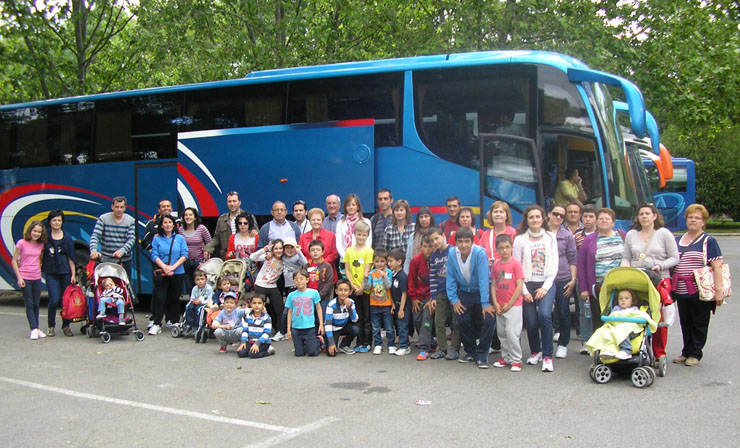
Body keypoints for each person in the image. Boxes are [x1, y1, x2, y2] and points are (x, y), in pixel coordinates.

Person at [621, 202, 679, 362]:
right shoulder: (631, 234)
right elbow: (626, 257)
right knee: (635, 314)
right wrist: (624, 270)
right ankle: (635, 348)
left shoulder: (664, 234)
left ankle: (659, 352)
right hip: (637, 278)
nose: (644, 216)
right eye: (641, 214)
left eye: (647, 213)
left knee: (657, 316)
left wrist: (661, 265)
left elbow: (675, 257)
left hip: (659, 279)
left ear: (654, 216)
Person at [671, 204, 725, 367]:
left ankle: (695, 353)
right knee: (685, 321)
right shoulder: (677, 239)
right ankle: (686, 351)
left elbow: (717, 267)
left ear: (703, 222)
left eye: (697, 218)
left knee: (699, 322)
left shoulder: (709, 241)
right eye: (690, 217)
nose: (693, 220)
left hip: (700, 289)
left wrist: (719, 290)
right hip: (681, 289)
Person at [513, 205, 558, 372]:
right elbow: (517, 267)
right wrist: (524, 291)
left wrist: (545, 288)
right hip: (527, 284)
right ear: (526, 220)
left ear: (543, 219)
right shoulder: (519, 240)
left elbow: (554, 266)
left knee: (545, 315)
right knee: (530, 321)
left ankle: (547, 355)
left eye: (538, 217)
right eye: (531, 217)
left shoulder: (551, 238)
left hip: (546, 283)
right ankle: (535, 351)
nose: (535, 220)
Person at [446, 227, 496, 369]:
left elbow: (483, 279)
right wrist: (454, 300)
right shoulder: (451, 253)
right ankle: (470, 351)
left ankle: (482, 354)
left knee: (488, 320)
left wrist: (485, 303)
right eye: (460, 242)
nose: (463, 245)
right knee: (463, 320)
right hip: (465, 292)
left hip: (481, 292)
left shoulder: (479, 253)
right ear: (455, 242)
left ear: (472, 241)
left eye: (467, 241)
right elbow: (450, 278)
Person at [577, 208, 626, 343]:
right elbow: (581, 265)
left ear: (613, 222)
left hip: (620, 286)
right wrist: (584, 289)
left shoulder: (622, 236)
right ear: (596, 222)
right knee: (599, 318)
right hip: (598, 286)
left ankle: (620, 346)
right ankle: (601, 348)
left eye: (607, 218)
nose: (604, 221)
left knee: (619, 316)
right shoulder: (589, 240)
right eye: (601, 218)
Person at [585, 289, 658, 360]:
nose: (623, 300)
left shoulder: (634, 310)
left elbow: (640, 316)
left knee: (622, 328)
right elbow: (612, 318)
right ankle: (609, 349)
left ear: (632, 301)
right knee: (605, 331)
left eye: (626, 298)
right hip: (616, 327)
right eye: (621, 298)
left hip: (631, 330)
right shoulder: (616, 310)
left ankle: (626, 350)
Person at [547, 205, 577, 359]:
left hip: (563, 278)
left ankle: (563, 344)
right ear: (549, 214)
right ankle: (543, 346)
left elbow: (572, 258)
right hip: (544, 278)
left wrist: (573, 280)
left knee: (564, 311)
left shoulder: (567, 235)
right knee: (544, 314)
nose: (558, 217)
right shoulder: (541, 233)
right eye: (555, 214)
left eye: (561, 216)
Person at [490, 234, 525, 372]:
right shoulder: (497, 265)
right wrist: (496, 303)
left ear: (511, 247)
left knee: (512, 332)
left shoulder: (516, 264)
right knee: (502, 333)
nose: (504, 250)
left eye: (507, 247)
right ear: (497, 249)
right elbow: (493, 285)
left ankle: (516, 359)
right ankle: (506, 357)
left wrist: (510, 303)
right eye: (501, 248)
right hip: (500, 305)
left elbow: (519, 286)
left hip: (513, 306)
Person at [150, 214, 188, 335]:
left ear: (174, 224)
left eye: (170, 222)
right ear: (161, 225)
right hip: (162, 272)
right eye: (165, 222)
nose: (167, 225)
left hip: (177, 272)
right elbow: (154, 255)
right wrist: (165, 267)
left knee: (174, 298)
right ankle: (156, 323)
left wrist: (173, 267)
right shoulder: (156, 239)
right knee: (160, 298)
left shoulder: (180, 238)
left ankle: (175, 321)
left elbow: (184, 255)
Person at [42, 209, 77, 337]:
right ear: (49, 222)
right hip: (51, 272)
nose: (56, 223)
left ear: (62, 222)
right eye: (54, 220)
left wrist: (73, 274)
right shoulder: (45, 236)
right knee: (54, 299)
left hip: (65, 272)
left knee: (65, 301)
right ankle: (51, 326)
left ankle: (66, 326)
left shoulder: (67, 238)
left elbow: (71, 257)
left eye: (59, 220)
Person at [428, 226, 461, 360]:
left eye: (437, 238)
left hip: (455, 292)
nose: (435, 242)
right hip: (441, 292)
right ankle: (442, 348)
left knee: (456, 321)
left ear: (443, 236)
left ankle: (454, 349)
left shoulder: (453, 251)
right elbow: (433, 278)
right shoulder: (434, 257)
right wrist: (433, 296)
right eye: (432, 241)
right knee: (439, 321)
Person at [13, 221, 47, 340]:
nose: (36, 234)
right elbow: (14, 260)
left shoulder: (41, 245)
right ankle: (33, 329)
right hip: (25, 277)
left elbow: (40, 259)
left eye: (39, 232)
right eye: (34, 231)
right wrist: (19, 277)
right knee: (30, 304)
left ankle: (36, 328)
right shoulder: (21, 243)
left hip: (36, 277)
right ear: (30, 231)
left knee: (36, 304)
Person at [344, 220, 374, 352]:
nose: (361, 237)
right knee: (357, 317)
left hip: (365, 290)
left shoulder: (369, 251)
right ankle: (359, 341)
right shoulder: (349, 251)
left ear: (367, 236)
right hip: (354, 288)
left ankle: (367, 342)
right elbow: (347, 270)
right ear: (354, 234)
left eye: (364, 235)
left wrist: (362, 287)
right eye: (359, 234)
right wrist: (352, 285)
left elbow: (367, 271)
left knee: (367, 317)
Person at [89, 196, 135, 276]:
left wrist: (122, 251)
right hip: (107, 259)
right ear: (112, 207)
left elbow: (131, 240)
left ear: (125, 208)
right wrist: (93, 250)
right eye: (117, 207)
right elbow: (95, 236)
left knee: (125, 286)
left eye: (121, 207)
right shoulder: (103, 218)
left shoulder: (130, 220)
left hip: (124, 260)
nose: (119, 209)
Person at [250, 240, 285, 340]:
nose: (278, 251)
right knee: (258, 307)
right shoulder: (268, 256)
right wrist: (263, 250)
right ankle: (258, 329)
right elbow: (252, 257)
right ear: (272, 249)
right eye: (276, 248)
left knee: (279, 309)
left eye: (280, 248)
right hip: (261, 284)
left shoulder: (285, 259)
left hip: (273, 286)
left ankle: (280, 331)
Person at [286, 269, 324, 357]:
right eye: (296, 279)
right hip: (296, 327)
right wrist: (288, 329)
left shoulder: (313, 293)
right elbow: (290, 312)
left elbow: (318, 308)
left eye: (301, 278)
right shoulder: (291, 295)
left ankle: (318, 341)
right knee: (299, 354)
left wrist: (321, 324)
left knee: (312, 353)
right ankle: (304, 345)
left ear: (307, 280)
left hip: (309, 326)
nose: (299, 281)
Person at [205, 191, 253, 259]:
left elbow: (256, 234)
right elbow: (216, 238)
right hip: (226, 257)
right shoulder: (222, 219)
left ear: (239, 202)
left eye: (234, 201)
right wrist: (208, 248)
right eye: (229, 201)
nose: (232, 204)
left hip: (244, 256)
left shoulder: (248, 217)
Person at [364, 249, 394, 355]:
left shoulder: (389, 272)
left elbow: (388, 286)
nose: (379, 264)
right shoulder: (372, 273)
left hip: (386, 304)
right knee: (375, 327)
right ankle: (378, 345)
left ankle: (391, 345)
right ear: (373, 262)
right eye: (377, 261)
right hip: (374, 304)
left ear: (386, 262)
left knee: (389, 326)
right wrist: (365, 278)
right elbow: (367, 287)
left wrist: (384, 276)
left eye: (382, 261)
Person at [408, 237, 433, 359]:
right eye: (425, 247)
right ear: (421, 247)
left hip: (431, 297)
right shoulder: (415, 261)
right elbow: (411, 280)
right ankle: (431, 342)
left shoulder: (436, 260)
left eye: (430, 247)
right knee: (417, 320)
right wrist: (413, 298)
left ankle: (424, 348)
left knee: (426, 322)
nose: (428, 249)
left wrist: (433, 298)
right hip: (417, 297)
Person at [299, 208, 339, 282]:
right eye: (313, 220)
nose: (316, 222)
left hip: (326, 273)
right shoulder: (303, 237)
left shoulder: (331, 235)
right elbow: (301, 254)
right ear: (309, 221)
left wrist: (321, 264)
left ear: (322, 221)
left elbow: (334, 254)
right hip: (308, 274)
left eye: (318, 219)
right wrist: (311, 264)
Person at [179, 207, 212, 294]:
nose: (188, 217)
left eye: (190, 215)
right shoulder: (180, 230)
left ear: (195, 217)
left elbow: (210, 244)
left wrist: (205, 262)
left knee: (200, 288)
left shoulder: (201, 228)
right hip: (185, 263)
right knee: (190, 289)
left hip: (198, 263)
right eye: (186, 215)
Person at [324, 279, 360, 356]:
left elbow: (355, 319)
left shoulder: (351, 302)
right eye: (340, 290)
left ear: (350, 292)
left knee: (356, 329)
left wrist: (349, 308)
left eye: (346, 290)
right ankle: (322, 340)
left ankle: (344, 345)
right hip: (333, 329)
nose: (343, 293)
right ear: (336, 291)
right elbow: (327, 324)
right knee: (332, 353)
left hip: (344, 326)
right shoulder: (331, 305)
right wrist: (331, 343)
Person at [335, 194, 372, 265]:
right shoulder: (340, 223)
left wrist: (360, 257)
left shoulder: (366, 222)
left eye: (353, 205)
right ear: (345, 207)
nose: (351, 207)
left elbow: (368, 242)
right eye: (348, 205)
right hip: (345, 260)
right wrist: (347, 258)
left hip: (362, 260)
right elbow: (339, 244)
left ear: (358, 207)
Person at [237, 294, 274, 359]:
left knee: (252, 354)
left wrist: (257, 343)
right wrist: (243, 342)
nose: (257, 305)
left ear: (263, 304)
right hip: (251, 341)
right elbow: (245, 330)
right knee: (241, 353)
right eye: (254, 303)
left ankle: (268, 351)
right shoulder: (248, 316)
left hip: (262, 342)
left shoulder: (266, 317)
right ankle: (251, 349)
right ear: (250, 304)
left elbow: (267, 333)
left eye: (259, 303)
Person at [388, 248, 409, 356]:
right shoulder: (394, 274)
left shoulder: (402, 276)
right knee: (398, 325)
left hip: (403, 306)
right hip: (395, 304)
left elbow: (404, 293)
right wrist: (392, 304)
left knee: (402, 326)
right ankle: (404, 345)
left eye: (391, 261)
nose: (389, 263)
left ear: (399, 262)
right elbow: (393, 291)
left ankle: (404, 346)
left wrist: (401, 309)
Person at [225, 212, 260, 277]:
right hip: (237, 270)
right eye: (240, 223)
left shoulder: (256, 237)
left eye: (245, 223)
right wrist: (229, 255)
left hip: (254, 270)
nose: (242, 225)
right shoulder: (232, 237)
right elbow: (227, 256)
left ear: (249, 224)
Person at [404, 206, 436, 273]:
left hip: (434, 272)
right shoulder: (412, 236)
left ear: (431, 218)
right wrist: (407, 275)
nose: (423, 219)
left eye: (426, 216)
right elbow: (408, 259)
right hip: (416, 273)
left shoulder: (438, 235)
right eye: (421, 217)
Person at [306, 240, 335, 312]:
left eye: (318, 250)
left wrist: (320, 295)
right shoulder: (306, 266)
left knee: (322, 317)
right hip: (309, 296)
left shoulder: (327, 266)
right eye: (312, 250)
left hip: (323, 297)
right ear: (309, 252)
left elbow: (329, 282)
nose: (315, 252)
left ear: (322, 252)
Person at [184, 270, 213, 335]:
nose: (200, 281)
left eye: (202, 279)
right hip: (195, 302)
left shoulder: (209, 288)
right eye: (198, 280)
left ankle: (197, 326)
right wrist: (194, 301)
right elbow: (192, 298)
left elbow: (209, 300)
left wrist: (201, 302)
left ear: (206, 279)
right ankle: (188, 324)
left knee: (199, 310)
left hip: (204, 304)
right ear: (195, 281)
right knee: (189, 307)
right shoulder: (194, 288)